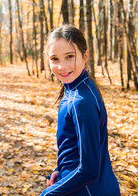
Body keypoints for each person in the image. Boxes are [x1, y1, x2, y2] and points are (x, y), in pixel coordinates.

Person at [41, 25, 120, 196]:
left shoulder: (81, 102)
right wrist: (60, 169)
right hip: (77, 184)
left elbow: (89, 169)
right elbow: (74, 146)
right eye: (54, 59)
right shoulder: (74, 90)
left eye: (69, 56)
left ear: (85, 56)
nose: (61, 66)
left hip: (90, 190)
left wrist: (49, 193)